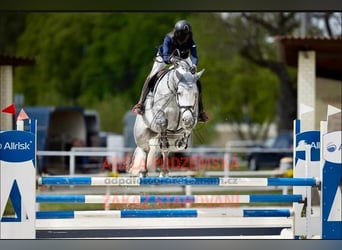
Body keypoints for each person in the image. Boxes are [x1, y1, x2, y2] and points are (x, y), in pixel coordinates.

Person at [132, 19, 208, 122]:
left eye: (186, 34)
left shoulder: (190, 40)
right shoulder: (169, 38)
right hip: (165, 57)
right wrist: (170, 59)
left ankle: (200, 111)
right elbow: (165, 55)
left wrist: (194, 65)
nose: (184, 37)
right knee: (151, 76)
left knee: (195, 80)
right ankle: (140, 103)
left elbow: (194, 55)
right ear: (177, 33)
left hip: (183, 58)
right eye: (182, 34)